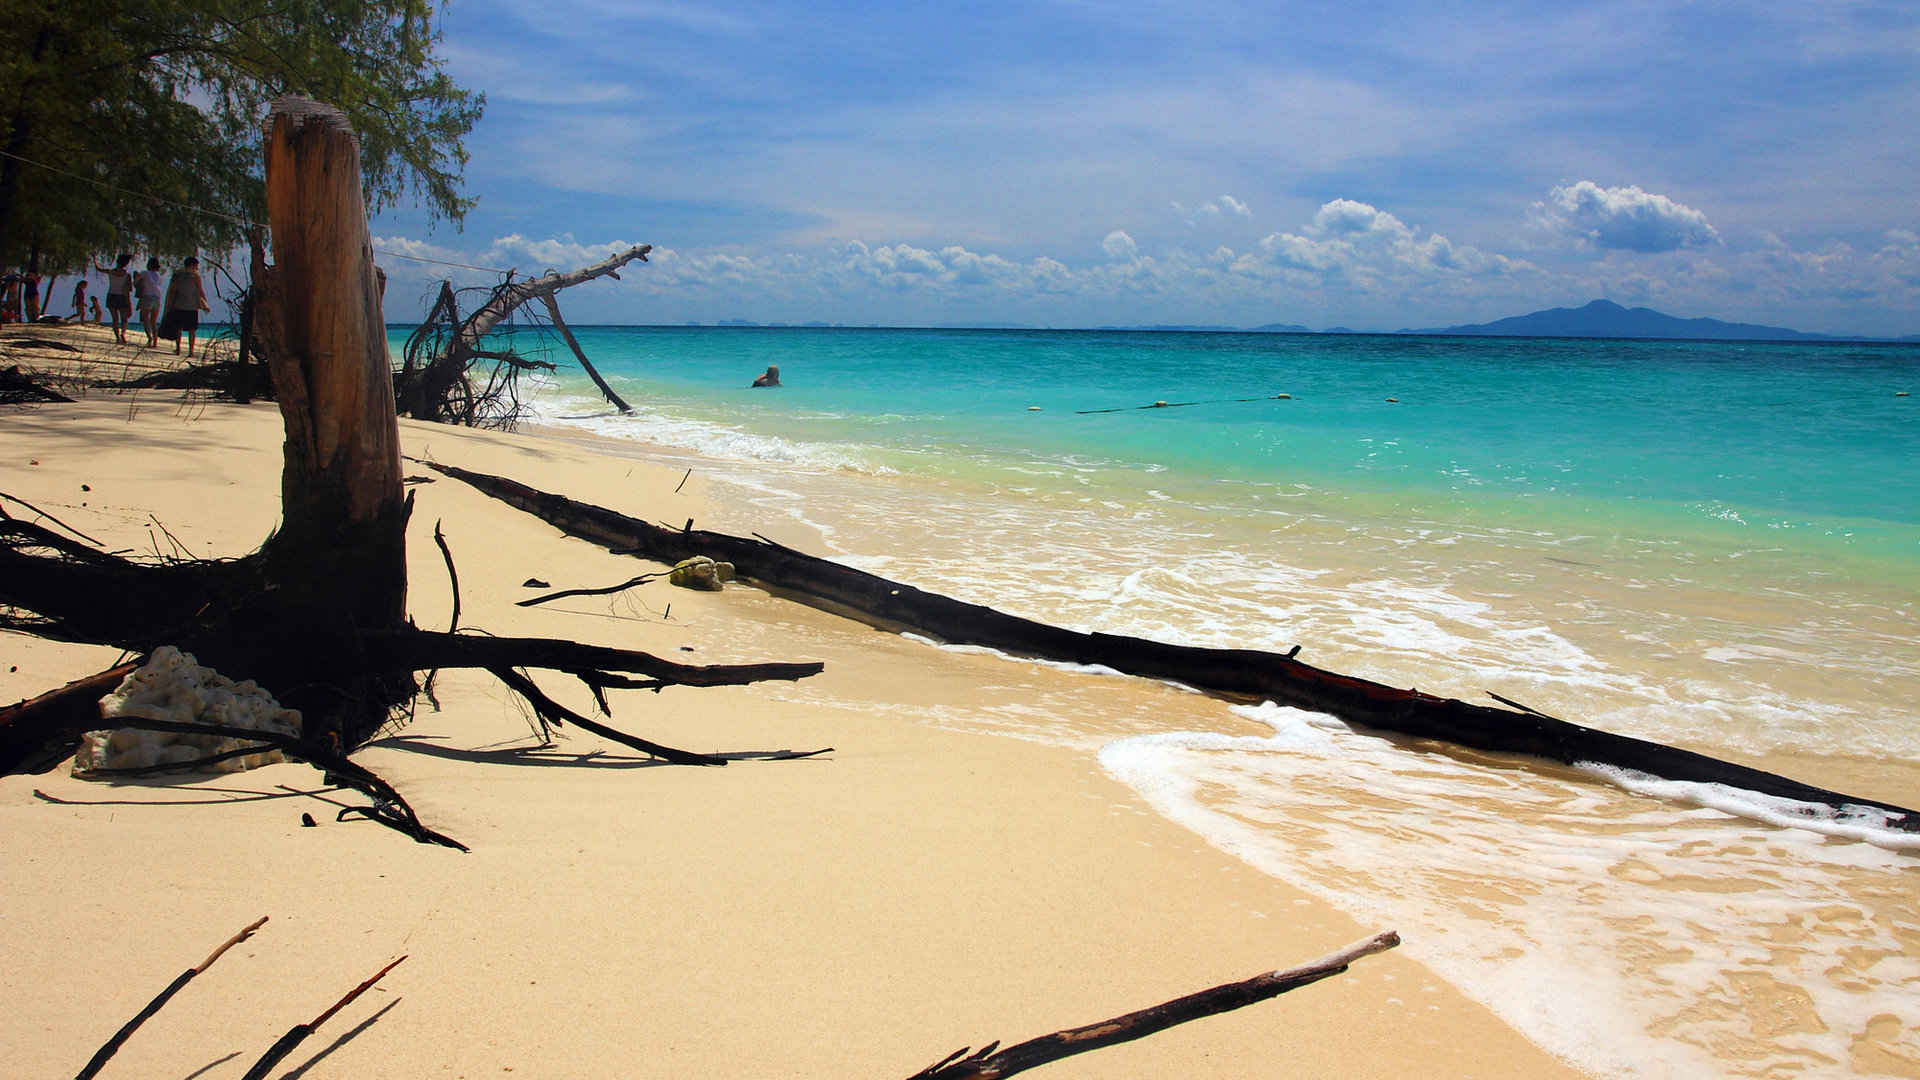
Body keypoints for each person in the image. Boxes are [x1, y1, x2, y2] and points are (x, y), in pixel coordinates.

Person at [158, 256, 210, 358]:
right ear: (192, 265)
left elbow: (172, 291)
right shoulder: (195, 276)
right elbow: (200, 290)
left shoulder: (177, 275)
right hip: (191, 307)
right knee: (192, 331)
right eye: (196, 266)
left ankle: (178, 349)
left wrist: (168, 306)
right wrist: (205, 304)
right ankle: (190, 351)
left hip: (178, 305)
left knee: (178, 329)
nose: (197, 268)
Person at [96, 252, 134, 344]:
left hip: (111, 296)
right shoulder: (127, 275)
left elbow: (98, 268)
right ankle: (123, 334)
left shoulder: (111, 271)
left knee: (115, 319)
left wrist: (95, 258)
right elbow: (128, 290)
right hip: (122, 297)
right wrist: (130, 304)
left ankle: (117, 337)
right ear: (126, 264)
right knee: (124, 319)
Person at [134, 257, 163, 347]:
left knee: (146, 319)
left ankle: (149, 338)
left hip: (147, 297)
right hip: (157, 297)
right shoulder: (158, 275)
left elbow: (136, 282)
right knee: (153, 321)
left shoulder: (145, 273)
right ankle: (155, 341)